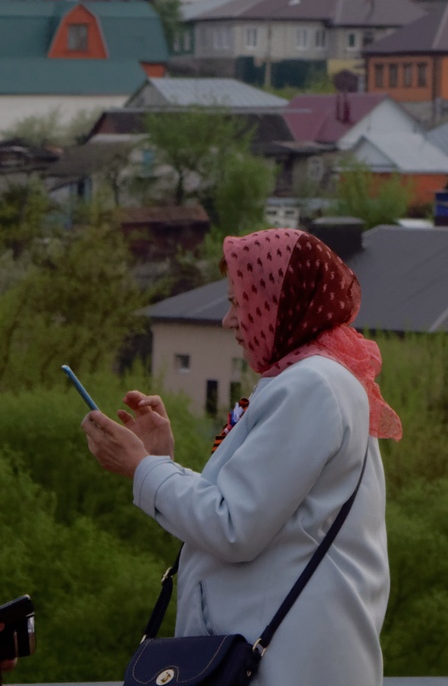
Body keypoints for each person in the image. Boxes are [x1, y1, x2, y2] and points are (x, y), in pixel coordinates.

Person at [83, 228, 398, 686]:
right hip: (287, 659)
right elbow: (253, 510)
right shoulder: (304, 378)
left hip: (290, 667)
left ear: (280, 302)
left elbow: (233, 528)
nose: (229, 320)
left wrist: (141, 467)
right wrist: (161, 459)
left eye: (239, 302)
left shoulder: (311, 386)